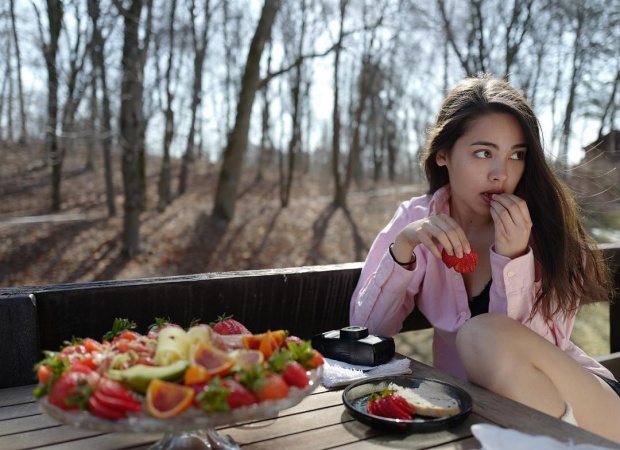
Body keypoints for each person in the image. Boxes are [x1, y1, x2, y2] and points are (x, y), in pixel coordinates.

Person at [349, 74, 620, 442]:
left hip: (580, 409)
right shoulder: (415, 221)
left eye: (516, 155)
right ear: (443, 154)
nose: (501, 174)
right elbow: (366, 331)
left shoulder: (545, 231)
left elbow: (531, 356)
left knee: (483, 334)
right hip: (481, 418)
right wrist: (403, 250)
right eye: (483, 153)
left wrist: (514, 259)